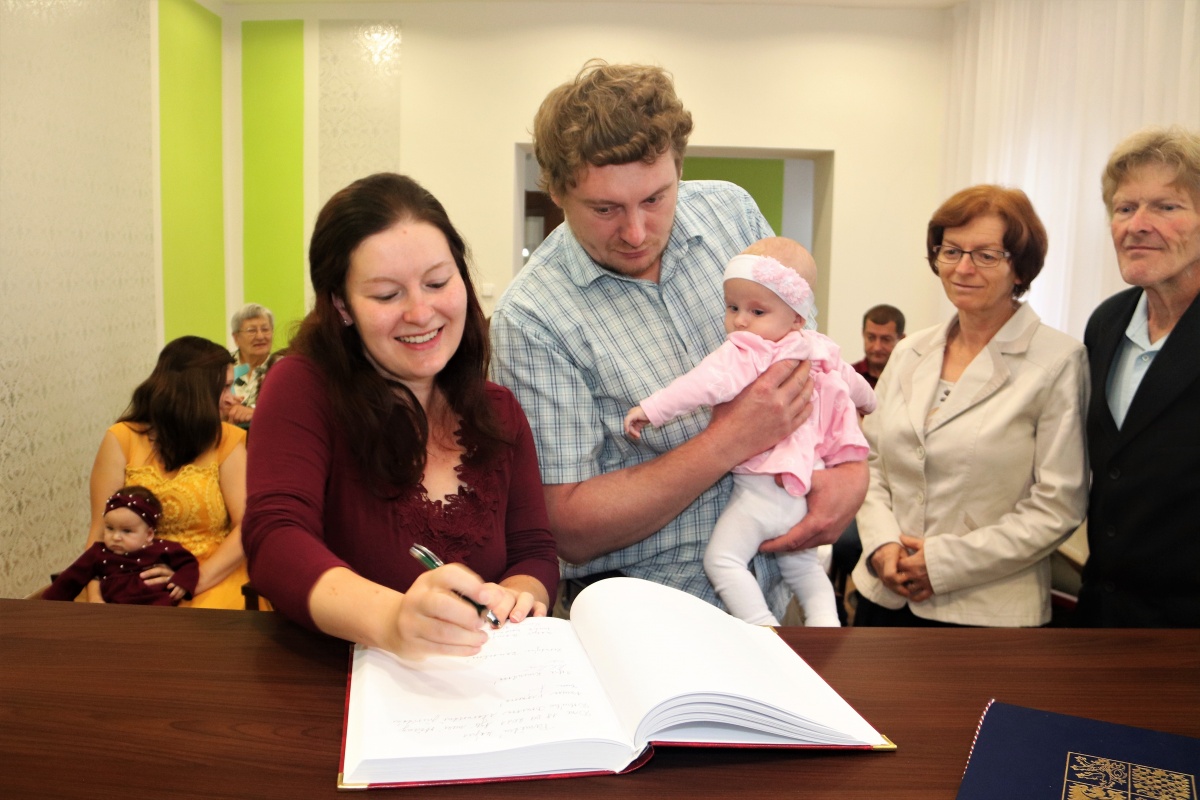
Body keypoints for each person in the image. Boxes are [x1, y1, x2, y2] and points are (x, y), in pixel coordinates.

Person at [490, 60, 866, 618]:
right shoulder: (531, 317)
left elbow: (805, 355)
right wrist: (729, 439)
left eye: (655, 198)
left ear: (679, 168)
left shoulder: (730, 212)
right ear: (557, 192)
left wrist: (852, 473)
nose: (636, 232)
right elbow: (567, 527)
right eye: (605, 209)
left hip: (777, 587)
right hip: (645, 615)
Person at [242, 173, 559, 660]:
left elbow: (533, 550)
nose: (420, 312)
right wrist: (393, 620)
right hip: (336, 683)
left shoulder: (498, 410)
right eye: (387, 295)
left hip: (482, 681)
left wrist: (516, 596)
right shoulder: (303, 387)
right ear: (342, 305)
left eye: (437, 282)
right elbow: (275, 538)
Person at [850, 185, 1089, 627]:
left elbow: (1058, 505)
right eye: (951, 251)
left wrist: (943, 563)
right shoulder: (910, 351)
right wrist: (882, 544)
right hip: (885, 593)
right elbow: (870, 460)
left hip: (987, 612)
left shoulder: (1058, 361)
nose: (963, 268)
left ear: (1020, 268)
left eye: (986, 255)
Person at [624, 238, 874, 626]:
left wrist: (651, 409)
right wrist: (870, 403)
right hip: (806, 485)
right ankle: (826, 628)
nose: (741, 321)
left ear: (797, 317)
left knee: (723, 561)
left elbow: (699, 384)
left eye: (757, 311)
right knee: (804, 569)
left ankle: (762, 627)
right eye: (733, 307)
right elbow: (856, 385)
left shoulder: (747, 351)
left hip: (761, 490)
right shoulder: (820, 348)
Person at [1076, 126, 1200, 628]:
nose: (1137, 226)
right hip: (1103, 617)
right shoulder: (1106, 323)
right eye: (1125, 208)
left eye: (1166, 207)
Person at [86, 336, 254, 609]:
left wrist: (193, 581)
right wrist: (95, 594)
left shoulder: (227, 440)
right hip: (128, 579)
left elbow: (246, 526)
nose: (232, 398)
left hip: (211, 577)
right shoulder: (122, 438)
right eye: (224, 387)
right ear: (195, 391)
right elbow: (99, 529)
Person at [45, 486, 199, 605]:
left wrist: (182, 582)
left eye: (127, 531)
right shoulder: (99, 553)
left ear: (149, 535)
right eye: (110, 528)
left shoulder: (162, 549)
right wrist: (46, 605)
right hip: (115, 610)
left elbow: (189, 563)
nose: (116, 537)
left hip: (157, 608)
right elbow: (71, 578)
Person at [226, 303, 275, 426]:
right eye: (251, 331)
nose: (260, 336)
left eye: (265, 329)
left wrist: (255, 412)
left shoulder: (283, 369)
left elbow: (290, 409)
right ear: (236, 338)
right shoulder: (222, 366)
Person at [851, 304, 906, 389]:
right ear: (863, 334)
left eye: (886, 339)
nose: (877, 347)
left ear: (902, 339)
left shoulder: (909, 378)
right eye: (871, 337)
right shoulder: (849, 376)